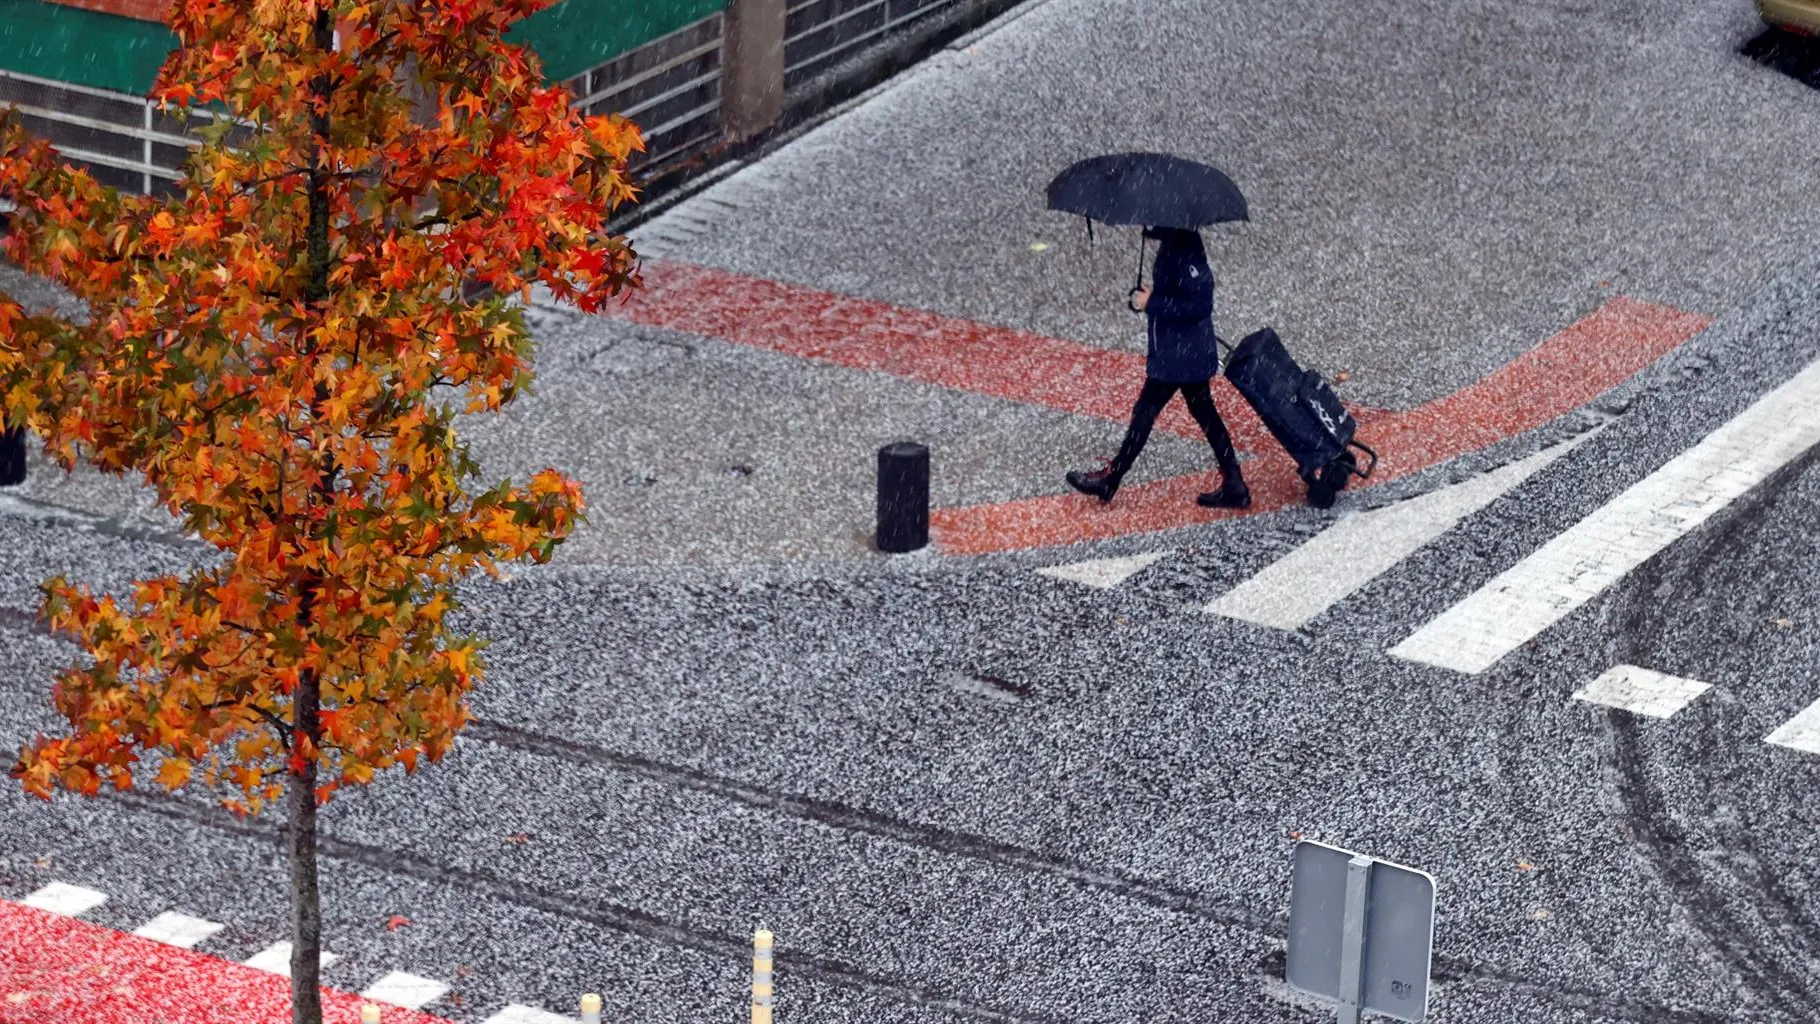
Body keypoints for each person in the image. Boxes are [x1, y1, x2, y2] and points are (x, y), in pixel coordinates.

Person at [1066, 226, 1249, 509]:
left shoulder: (1185, 250)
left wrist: (1153, 302)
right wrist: (1154, 295)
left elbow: (1200, 304)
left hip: (1180, 357)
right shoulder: (1175, 241)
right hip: (1179, 353)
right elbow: (1179, 292)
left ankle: (1111, 480)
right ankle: (1234, 483)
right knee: (1203, 413)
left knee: (1146, 412)